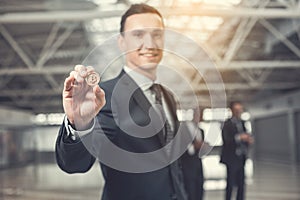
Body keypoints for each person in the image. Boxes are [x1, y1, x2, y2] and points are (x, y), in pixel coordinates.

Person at [55, 3, 189, 200]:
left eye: (157, 34)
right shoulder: (104, 97)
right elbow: (74, 164)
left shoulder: (167, 96)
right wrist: (80, 124)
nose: (150, 43)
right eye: (138, 35)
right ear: (122, 42)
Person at [220, 101, 254, 200]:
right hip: (231, 158)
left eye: (240, 110)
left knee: (241, 183)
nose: (239, 112)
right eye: (237, 110)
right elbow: (227, 140)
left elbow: (246, 136)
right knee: (230, 183)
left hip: (241, 157)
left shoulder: (243, 123)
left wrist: (248, 139)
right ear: (232, 111)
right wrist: (240, 137)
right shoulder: (226, 124)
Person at [181, 107, 208, 200]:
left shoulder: (201, 130)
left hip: (198, 165)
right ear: (193, 115)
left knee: (199, 189)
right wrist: (194, 146)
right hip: (187, 165)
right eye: (198, 114)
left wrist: (204, 147)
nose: (200, 117)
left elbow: (201, 151)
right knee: (190, 190)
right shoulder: (183, 128)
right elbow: (181, 147)